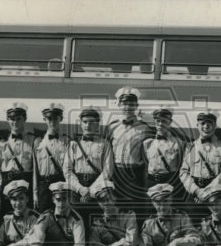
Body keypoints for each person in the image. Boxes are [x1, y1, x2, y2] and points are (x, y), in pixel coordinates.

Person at [65, 106, 114, 228]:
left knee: (95, 223)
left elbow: (107, 170)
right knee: (76, 221)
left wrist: (91, 191)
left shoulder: (105, 144)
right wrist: (80, 189)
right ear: (81, 124)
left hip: (97, 187)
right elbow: (67, 170)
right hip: (77, 187)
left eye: (92, 122)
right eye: (85, 122)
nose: (88, 125)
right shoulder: (74, 144)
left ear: (98, 124)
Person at [105, 87, 152, 218]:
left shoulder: (144, 128)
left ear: (136, 106)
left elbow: (148, 155)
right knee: (117, 206)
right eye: (124, 104)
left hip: (135, 173)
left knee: (136, 207)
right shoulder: (112, 127)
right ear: (119, 105)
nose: (128, 107)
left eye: (131, 104)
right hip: (116, 172)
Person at [179, 109, 221, 222]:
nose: (206, 126)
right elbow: (183, 172)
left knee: (213, 227)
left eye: (210, 123)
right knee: (192, 226)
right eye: (203, 123)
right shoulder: (190, 147)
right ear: (197, 126)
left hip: (215, 194)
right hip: (193, 194)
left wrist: (208, 192)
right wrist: (197, 191)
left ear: (215, 126)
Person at [0, 101, 35, 211]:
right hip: (7, 181)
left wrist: (35, 194)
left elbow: (35, 171)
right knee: (7, 215)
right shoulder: (1, 143)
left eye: (19, 119)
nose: (15, 122)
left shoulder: (32, 141)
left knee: (27, 215)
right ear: (8, 120)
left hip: (26, 183)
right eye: (12, 119)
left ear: (25, 119)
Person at [143, 107, 185, 203]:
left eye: (164, 121)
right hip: (152, 181)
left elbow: (181, 165)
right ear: (154, 122)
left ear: (170, 122)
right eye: (158, 121)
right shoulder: (147, 143)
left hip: (170, 180)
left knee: (170, 209)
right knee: (152, 208)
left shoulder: (178, 143)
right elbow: (146, 161)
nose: (161, 124)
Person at [33, 102, 68, 213]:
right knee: (43, 216)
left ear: (61, 118)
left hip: (60, 184)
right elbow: (35, 171)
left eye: (55, 118)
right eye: (49, 118)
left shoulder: (67, 141)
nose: (52, 121)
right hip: (44, 186)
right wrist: (35, 193)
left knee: (61, 217)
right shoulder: (38, 142)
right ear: (44, 119)